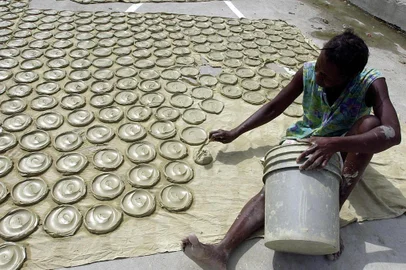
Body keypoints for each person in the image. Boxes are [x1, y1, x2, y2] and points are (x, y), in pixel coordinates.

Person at [181, 29, 401, 270]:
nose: (318, 78)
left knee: (370, 124)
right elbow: (274, 107)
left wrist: (335, 144)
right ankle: (220, 252)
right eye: (318, 68)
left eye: (327, 77)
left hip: (347, 146)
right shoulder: (308, 73)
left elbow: (392, 133)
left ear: (351, 77)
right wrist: (236, 132)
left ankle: (330, 220)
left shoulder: (370, 83)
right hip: (308, 140)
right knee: (275, 189)